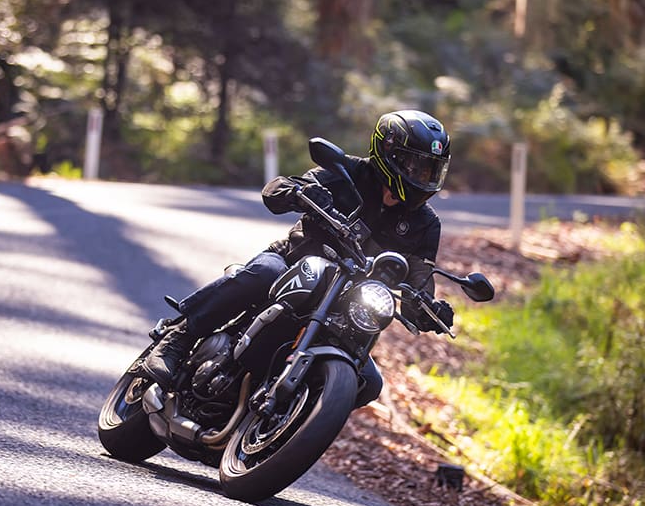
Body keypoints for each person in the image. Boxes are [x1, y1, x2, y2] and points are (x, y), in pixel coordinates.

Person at [141, 109, 457, 407]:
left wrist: (429, 309)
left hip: (347, 303)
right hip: (292, 262)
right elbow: (277, 189)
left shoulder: (426, 223)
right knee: (262, 273)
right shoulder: (346, 172)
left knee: (369, 384)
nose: (423, 176)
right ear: (388, 152)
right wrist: (299, 192)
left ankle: (292, 418)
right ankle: (179, 337)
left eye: (431, 169)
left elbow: (420, 282)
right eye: (416, 165)